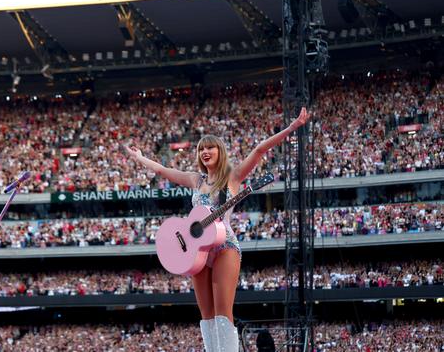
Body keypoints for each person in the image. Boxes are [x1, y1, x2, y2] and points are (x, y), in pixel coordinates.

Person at [125, 107, 310, 351]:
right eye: (201, 149)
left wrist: (291, 128)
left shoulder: (232, 177)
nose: (205, 152)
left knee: (223, 313)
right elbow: (161, 170)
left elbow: (259, 150)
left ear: (219, 151)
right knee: (207, 315)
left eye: (210, 147)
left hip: (225, 246)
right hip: (196, 250)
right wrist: (139, 158)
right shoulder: (196, 180)